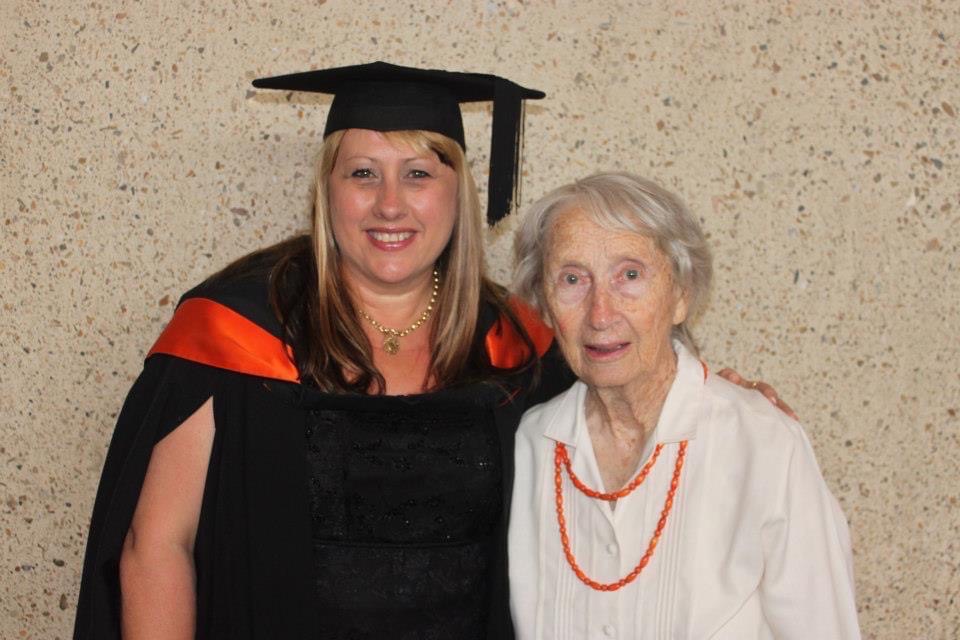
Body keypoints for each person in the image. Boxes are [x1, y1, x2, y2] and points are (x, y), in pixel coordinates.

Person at [73, 63, 787, 640]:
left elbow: (629, 428)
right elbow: (154, 548)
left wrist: (714, 403)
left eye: (419, 173)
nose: (391, 204)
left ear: (458, 192)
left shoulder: (518, 345)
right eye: (362, 174)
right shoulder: (238, 329)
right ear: (326, 191)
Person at [508, 172, 860, 639]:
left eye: (630, 275)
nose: (600, 313)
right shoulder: (530, 445)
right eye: (573, 279)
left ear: (681, 295)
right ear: (546, 308)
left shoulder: (762, 443)